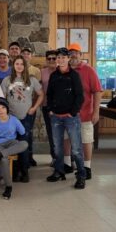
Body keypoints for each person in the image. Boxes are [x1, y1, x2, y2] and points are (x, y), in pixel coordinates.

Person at [46, 47, 86, 189]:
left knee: (76, 149)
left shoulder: (74, 75)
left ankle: (81, 175)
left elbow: (80, 96)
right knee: (57, 148)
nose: (60, 60)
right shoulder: (53, 76)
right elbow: (49, 94)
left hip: (71, 118)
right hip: (56, 117)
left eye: (63, 57)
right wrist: (50, 109)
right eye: (58, 58)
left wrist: (73, 112)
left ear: (68, 59)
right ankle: (59, 171)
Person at [1, 55, 44, 183]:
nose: (19, 66)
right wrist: (5, 113)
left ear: (25, 66)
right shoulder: (7, 80)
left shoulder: (31, 80)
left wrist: (34, 107)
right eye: (17, 64)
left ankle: (24, 171)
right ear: (13, 66)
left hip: (26, 117)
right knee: (12, 144)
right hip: (11, 118)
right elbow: (2, 98)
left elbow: (41, 94)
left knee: (23, 144)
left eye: (21, 64)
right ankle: (14, 171)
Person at [63, 43, 103, 179]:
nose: (73, 55)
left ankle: (87, 167)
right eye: (70, 53)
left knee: (86, 140)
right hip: (66, 114)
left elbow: (97, 91)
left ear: (81, 55)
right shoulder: (63, 70)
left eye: (76, 53)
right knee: (66, 138)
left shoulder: (88, 70)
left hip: (85, 114)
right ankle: (67, 164)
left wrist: (96, 112)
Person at [0, 97, 28, 199]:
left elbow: (23, 133)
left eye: (3, 107)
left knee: (25, 143)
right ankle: (8, 187)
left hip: (11, 143)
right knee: (4, 160)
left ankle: (0, 155)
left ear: (7, 109)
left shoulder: (14, 120)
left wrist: (12, 147)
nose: (1, 110)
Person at [20, 46, 41, 166]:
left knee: (29, 132)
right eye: (23, 54)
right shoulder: (16, 69)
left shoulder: (36, 71)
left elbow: (38, 91)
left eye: (28, 54)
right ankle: (22, 157)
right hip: (19, 106)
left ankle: (29, 155)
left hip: (31, 106)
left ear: (31, 56)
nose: (26, 56)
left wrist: (34, 106)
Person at [40, 50, 58, 165]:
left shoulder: (62, 70)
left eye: (54, 58)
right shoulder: (42, 72)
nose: (51, 60)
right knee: (51, 132)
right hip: (46, 106)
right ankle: (54, 157)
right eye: (49, 58)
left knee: (63, 133)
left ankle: (67, 157)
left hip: (61, 107)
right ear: (46, 60)